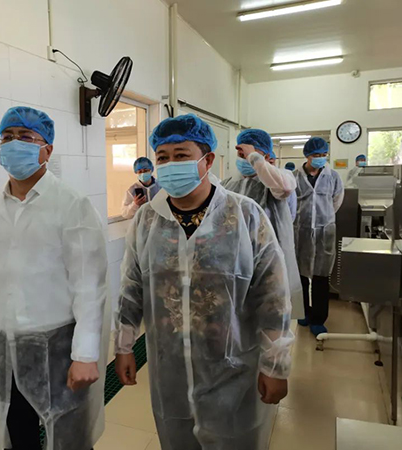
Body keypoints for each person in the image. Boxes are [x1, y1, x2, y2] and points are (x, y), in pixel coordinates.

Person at [114, 114, 294, 450]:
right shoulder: (146, 220)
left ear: (207, 160)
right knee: (175, 439)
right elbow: (131, 287)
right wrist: (124, 347)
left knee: (233, 441)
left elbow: (273, 296)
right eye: (162, 157)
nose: (170, 165)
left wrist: (276, 365)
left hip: (233, 367)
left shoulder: (245, 215)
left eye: (181, 155)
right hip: (169, 371)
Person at [0, 106, 108, 450]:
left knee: (68, 435)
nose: (14, 144)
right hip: (2, 344)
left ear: (47, 150)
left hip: (58, 345)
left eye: (26, 137)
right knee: (16, 432)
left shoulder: (71, 205)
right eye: (7, 137)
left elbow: (88, 286)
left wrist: (85, 354)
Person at [223, 129, 303, 320]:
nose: (244, 159)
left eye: (249, 154)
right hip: (236, 257)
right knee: (239, 312)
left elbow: (284, 189)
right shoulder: (228, 183)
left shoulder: (280, 179)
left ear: (266, 157)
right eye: (241, 155)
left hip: (268, 258)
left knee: (269, 311)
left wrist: (254, 157)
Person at [294, 137, 344, 336]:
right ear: (307, 155)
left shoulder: (333, 176)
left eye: (324, 155)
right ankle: (303, 312)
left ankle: (318, 318)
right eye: (316, 155)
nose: (321, 158)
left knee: (321, 277)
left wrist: (324, 218)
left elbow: (337, 200)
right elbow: (289, 203)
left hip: (325, 232)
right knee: (301, 275)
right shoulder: (294, 176)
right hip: (301, 231)